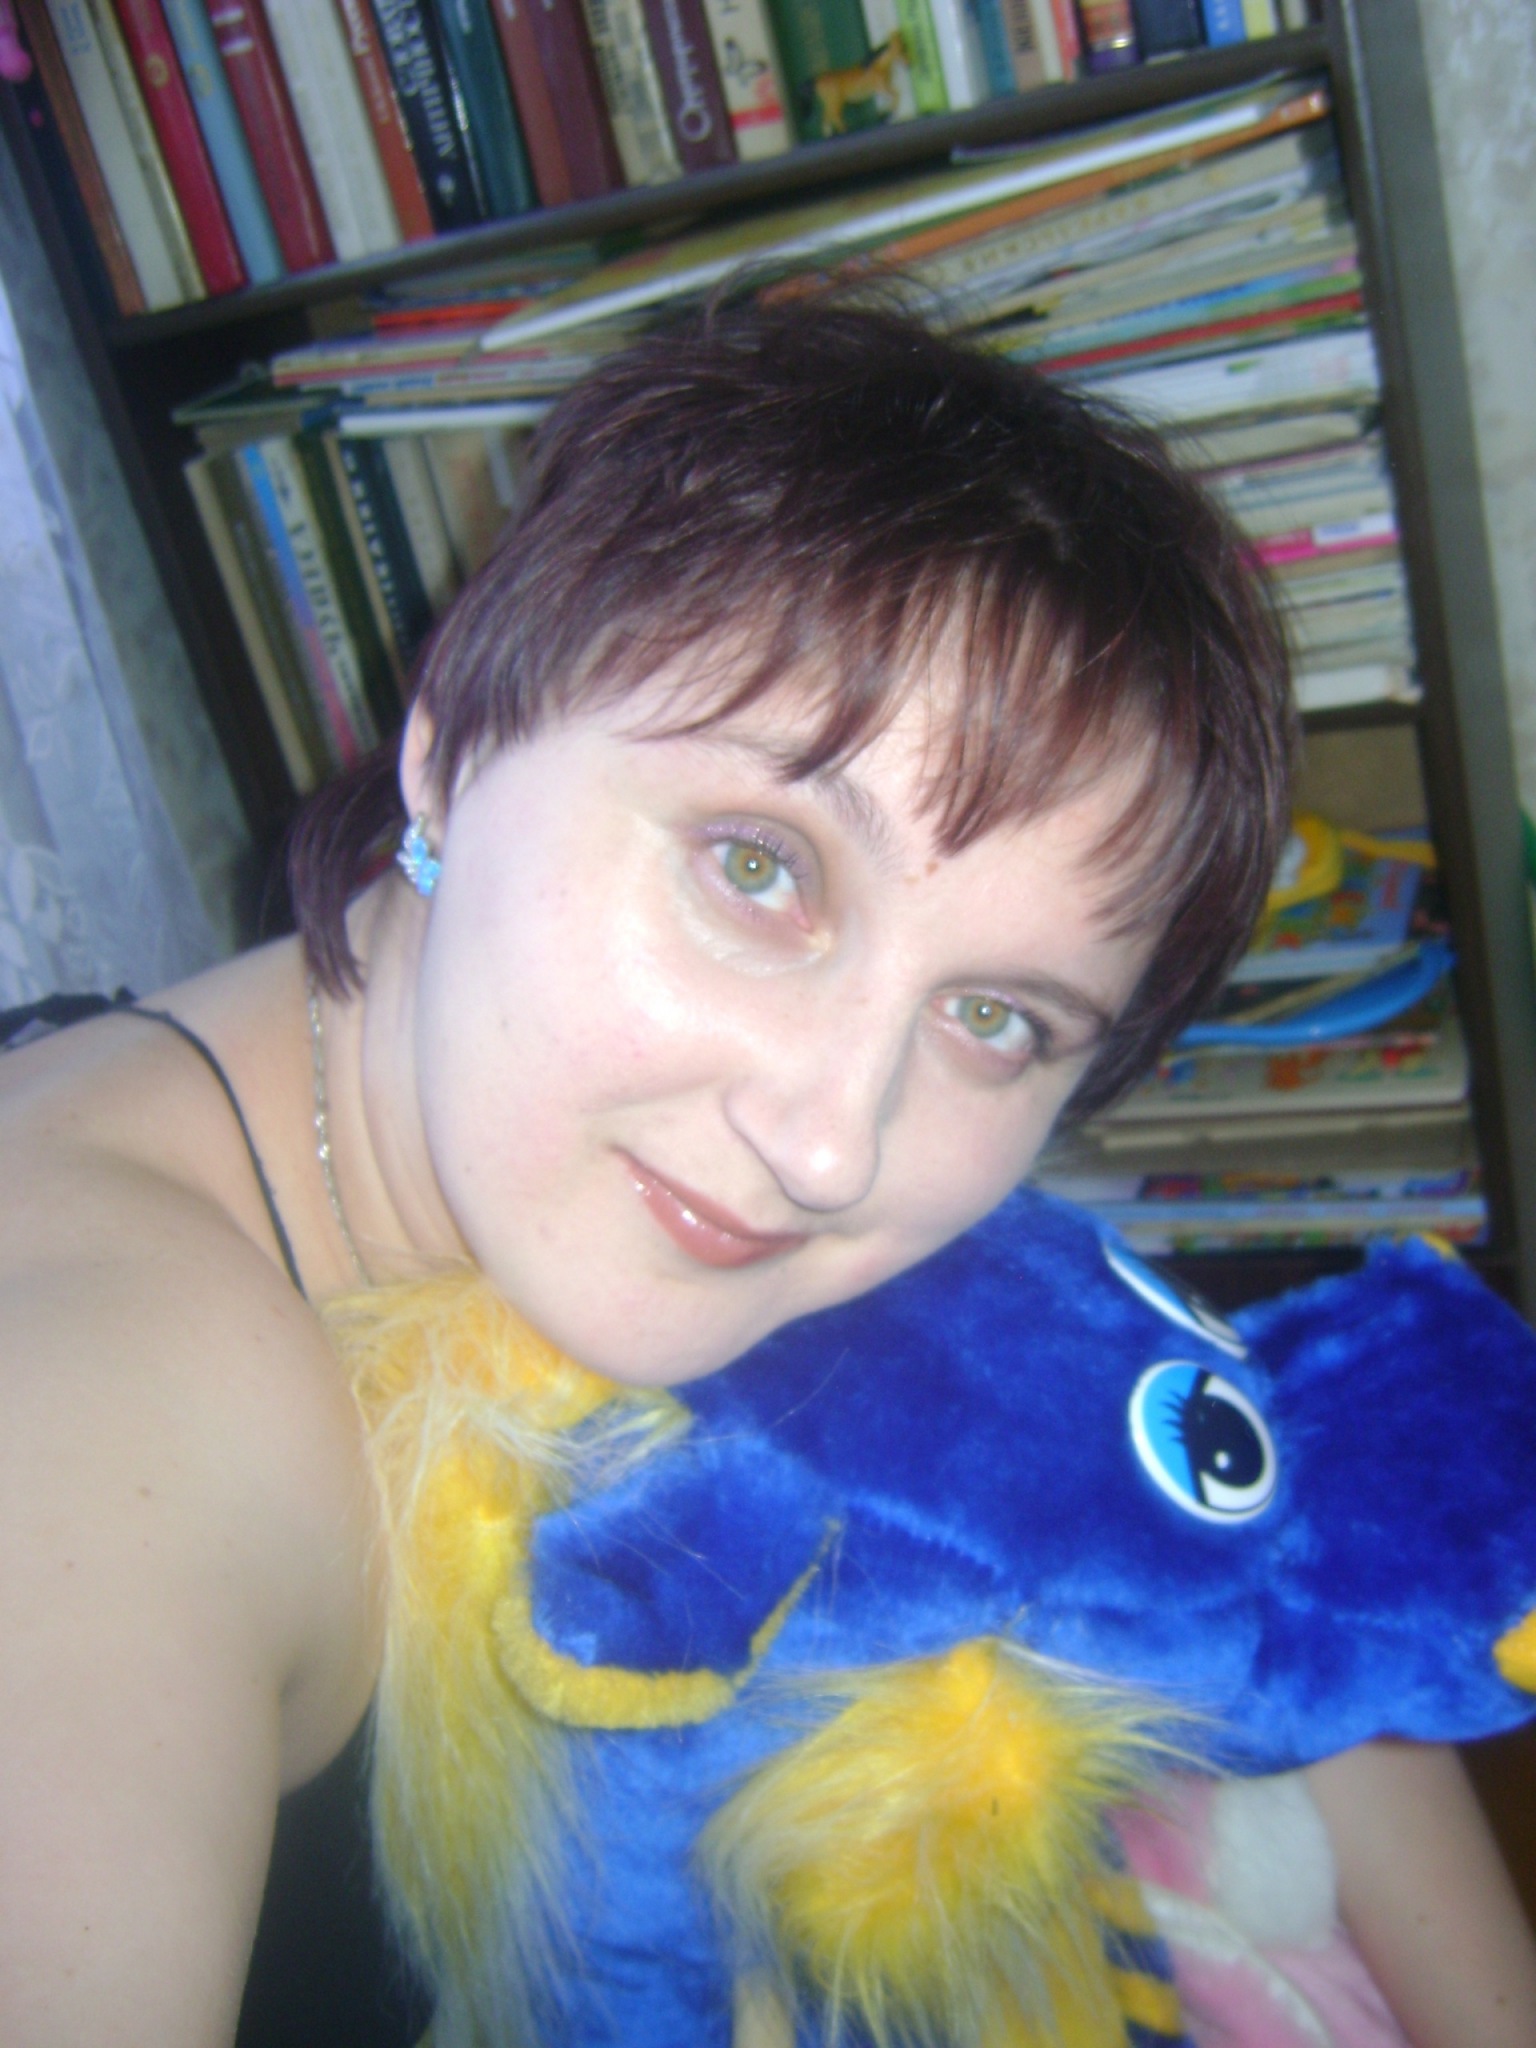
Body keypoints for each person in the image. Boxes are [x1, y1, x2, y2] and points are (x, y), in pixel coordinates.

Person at [1, 293, 1531, 2048]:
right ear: (451, 743)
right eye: (758, 867)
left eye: (996, 1018)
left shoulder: (531, 1126)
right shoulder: (121, 1407)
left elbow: (1200, 1527)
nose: (828, 1147)